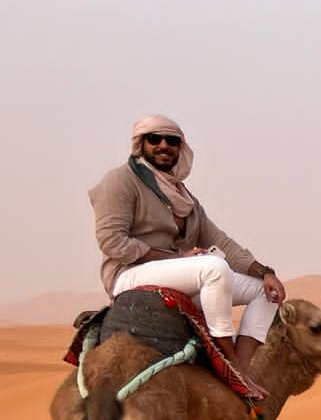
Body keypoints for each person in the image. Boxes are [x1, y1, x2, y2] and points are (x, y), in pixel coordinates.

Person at [89, 115, 286, 382]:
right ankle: (227, 360)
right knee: (214, 268)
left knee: (266, 292)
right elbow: (113, 242)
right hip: (129, 274)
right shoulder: (120, 181)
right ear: (140, 144)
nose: (163, 145)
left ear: (180, 148)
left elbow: (221, 241)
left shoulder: (183, 197)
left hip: (178, 274)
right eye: (154, 139)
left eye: (171, 140)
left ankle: (242, 362)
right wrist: (177, 257)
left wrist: (264, 272)